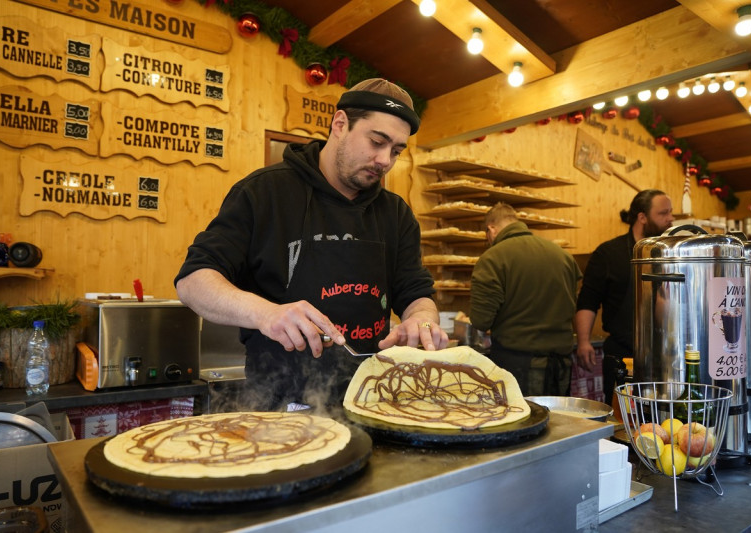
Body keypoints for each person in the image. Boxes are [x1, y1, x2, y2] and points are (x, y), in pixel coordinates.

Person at [175, 78, 448, 411]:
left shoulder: (395, 214)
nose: (384, 160)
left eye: (396, 150)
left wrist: (422, 321)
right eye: (377, 142)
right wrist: (267, 314)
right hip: (276, 403)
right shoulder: (265, 193)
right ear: (340, 124)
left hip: (371, 400)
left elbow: (416, 293)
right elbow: (193, 281)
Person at [469, 203, 582, 396]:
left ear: (491, 230)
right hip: (561, 364)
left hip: (517, 366)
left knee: (522, 422)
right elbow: (574, 302)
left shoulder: (493, 258)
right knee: (559, 422)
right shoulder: (563, 256)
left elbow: (481, 320)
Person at [575, 189, 674, 405]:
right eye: (663, 213)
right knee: (623, 418)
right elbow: (588, 301)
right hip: (623, 353)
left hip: (665, 354)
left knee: (663, 415)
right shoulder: (609, 253)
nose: (671, 219)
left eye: (670, 213)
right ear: (642, 217)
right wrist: (583, 341)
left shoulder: (670, 254)